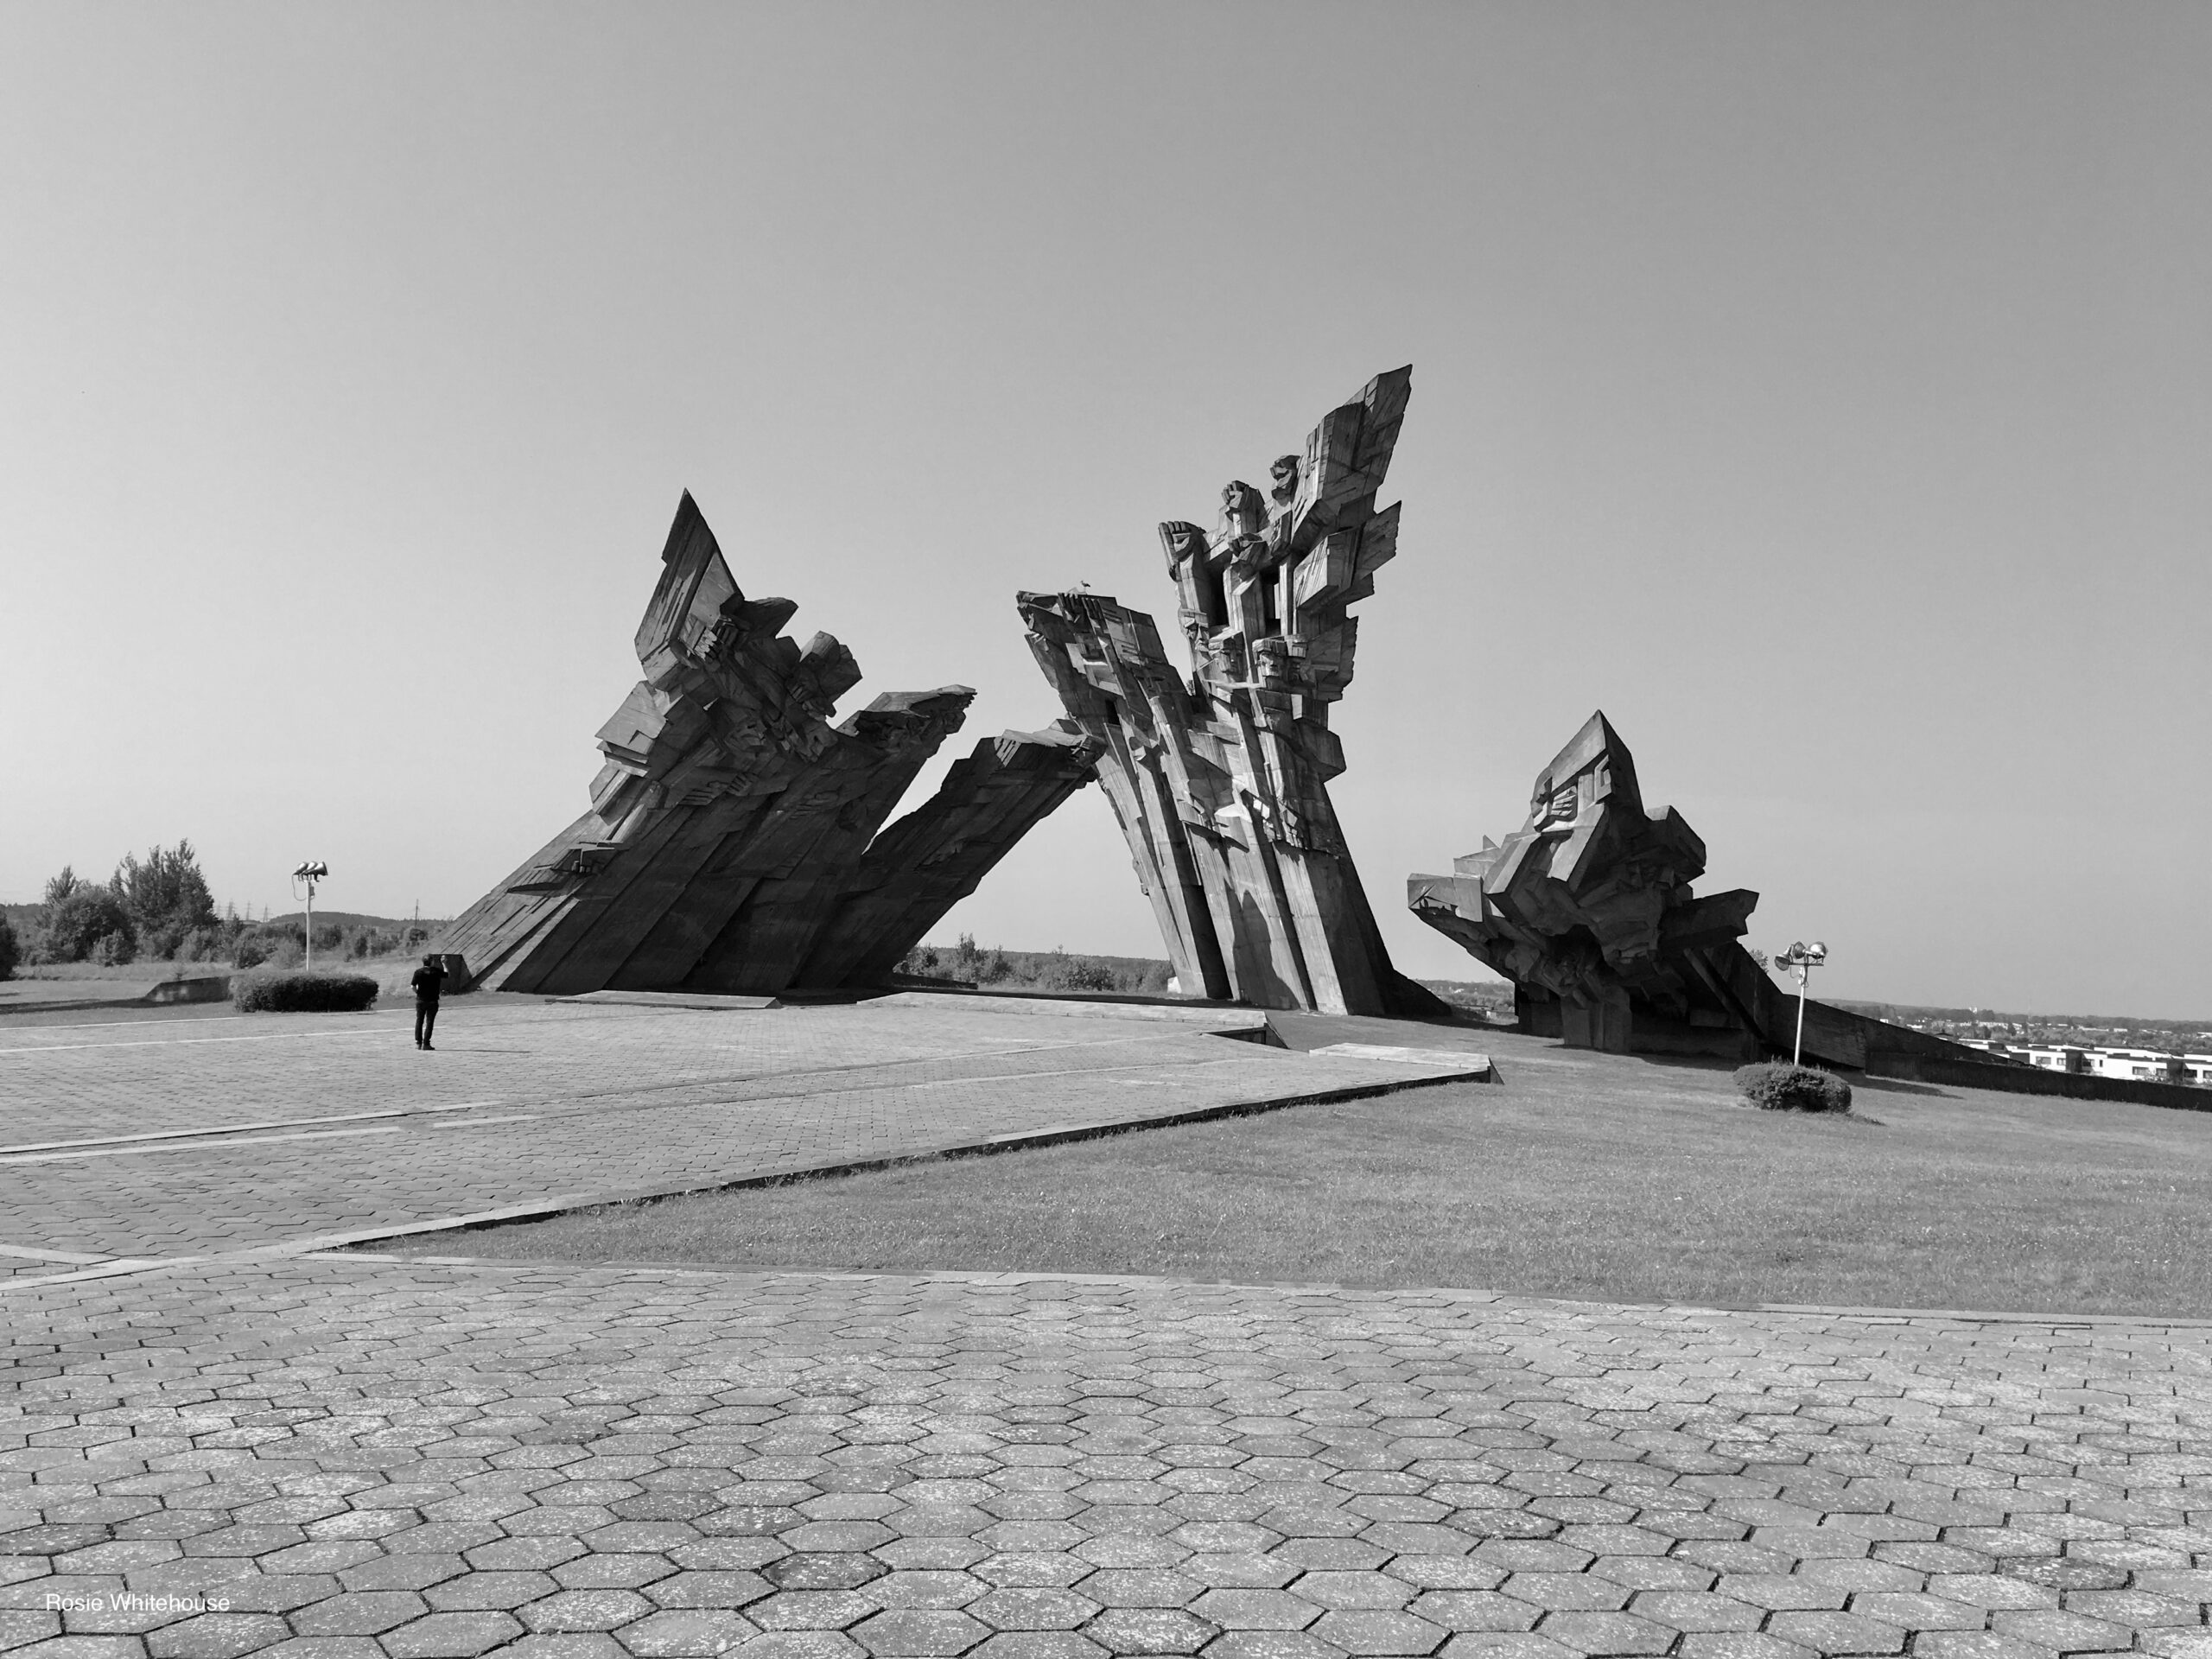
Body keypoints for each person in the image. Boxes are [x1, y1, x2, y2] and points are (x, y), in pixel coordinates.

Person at [410, 953, 447, 1050]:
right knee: (429, 1022)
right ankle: (426, 1043)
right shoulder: (436, 972)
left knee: (419, 1021)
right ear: (431, 962)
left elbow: (412, 986)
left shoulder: (418, 972)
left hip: (421, 1000)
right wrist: (444, 963)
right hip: (432, 1000)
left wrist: (418, 993)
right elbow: (447, 974)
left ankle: (418, 1043)